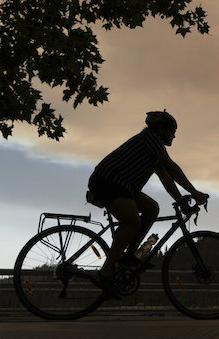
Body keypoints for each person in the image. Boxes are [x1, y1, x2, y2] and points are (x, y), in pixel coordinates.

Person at [86, 110, 209, 298]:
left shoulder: (153, 148)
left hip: (123, 186)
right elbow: (171, 167)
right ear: (161, 129)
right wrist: (194, 193)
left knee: (152, 208)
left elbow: (166, 177)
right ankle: (106, 272)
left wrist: (181, 200)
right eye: (172, 131)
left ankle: (129, 255)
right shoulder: (151, 139)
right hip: (108, 182)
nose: (174, 135)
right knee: (132, 222)